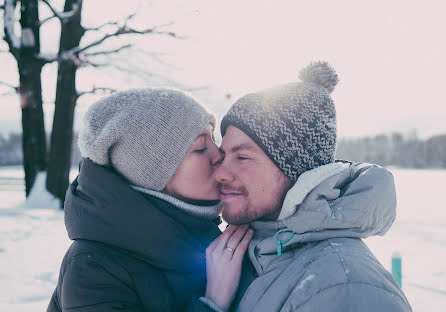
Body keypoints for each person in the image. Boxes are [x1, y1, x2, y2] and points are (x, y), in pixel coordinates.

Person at [212, 61, 413, 311]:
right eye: (223, 156)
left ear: (295, 169)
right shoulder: (245, 251)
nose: (220, 172)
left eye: (242, 157)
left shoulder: (346, 290)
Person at [46, 87, 253, 312]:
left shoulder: (205, 234)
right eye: (201, 148)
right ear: (152, 175)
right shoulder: (93, 269)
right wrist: (212, 301)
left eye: (214, 139)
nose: (220, 154)